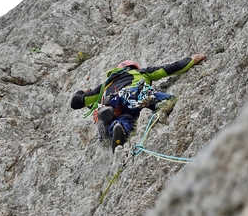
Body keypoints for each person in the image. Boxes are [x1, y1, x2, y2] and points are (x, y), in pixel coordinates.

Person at [71, 54, 206, 153]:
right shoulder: (140, 72)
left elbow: (75, 102)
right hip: (137, 95)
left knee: (124, 119)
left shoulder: (104, 86)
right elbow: (169, 69)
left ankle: (119, 129)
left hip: (116, 106)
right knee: (161, 98)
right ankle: (161, 104)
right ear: (132, 67)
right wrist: (191, 60)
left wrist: (82, 91)